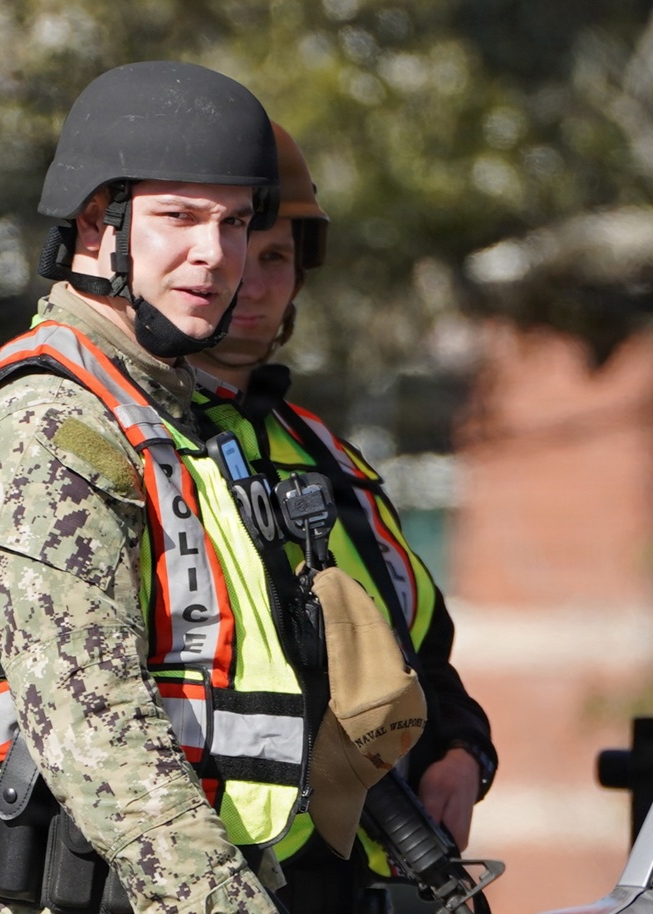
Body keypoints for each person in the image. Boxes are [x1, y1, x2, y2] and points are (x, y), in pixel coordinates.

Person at [0, 62, 321, 914]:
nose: (215, 254)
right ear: (96, 225)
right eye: (179, 218)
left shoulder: (171, 416)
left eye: (235, 223)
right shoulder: (48, 427)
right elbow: (101, 735)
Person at [189, 124, 498, 913]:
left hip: (348, 880)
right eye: (240, 252)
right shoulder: (141, 446)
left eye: (277, 259)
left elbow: (417, 651)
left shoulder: (329, 458)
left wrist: (463, 751)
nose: (251, 283)